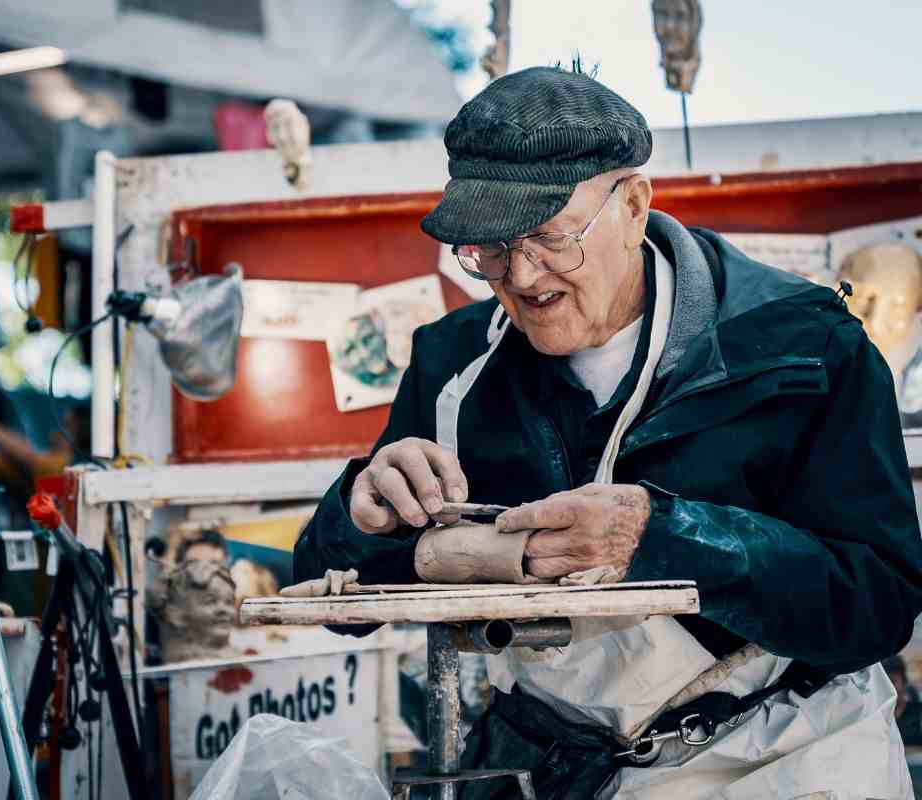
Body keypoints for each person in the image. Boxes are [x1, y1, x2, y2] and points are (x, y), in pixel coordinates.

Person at [293, 67, 922, 799]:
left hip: (777, 758)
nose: (522, 275)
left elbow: (878, 603)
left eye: (550, 236)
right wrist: (362, 518)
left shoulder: (806, 348)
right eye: (488, 248)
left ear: (633, 204)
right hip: (553, 768)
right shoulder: (451, 362)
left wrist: (664, 537)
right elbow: (330, 594)